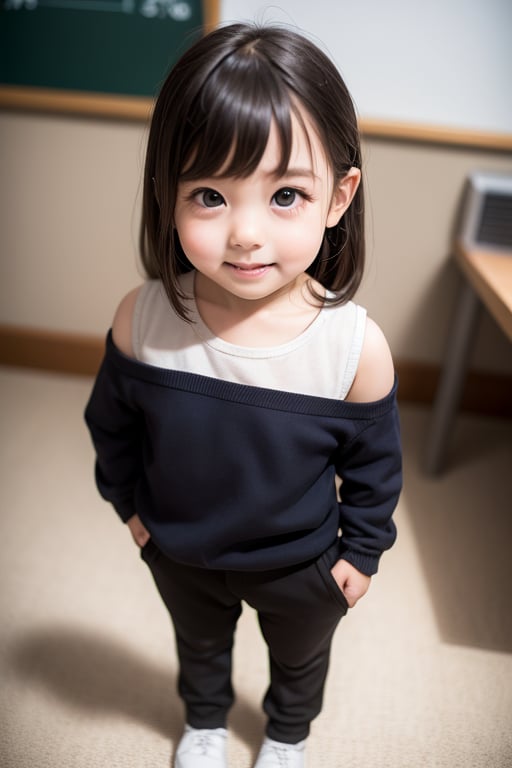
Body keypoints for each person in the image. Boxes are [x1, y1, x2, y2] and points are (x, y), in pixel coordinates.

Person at [85, 22, 402, 768]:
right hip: (181, 547)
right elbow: (112, 425)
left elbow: (376, 466)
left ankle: (287, 733)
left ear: (338, 197)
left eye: (285, 194)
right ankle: (203, 720)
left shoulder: (354, 346)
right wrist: (129, 507)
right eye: (209, 194)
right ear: (165, 196)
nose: (246, 234)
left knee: (299, 658)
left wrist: (361, 552)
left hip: (301, 562)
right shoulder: (145, 316)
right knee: (198, 645)